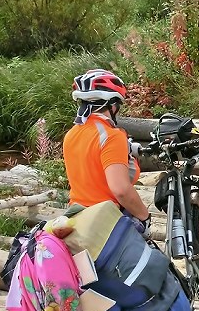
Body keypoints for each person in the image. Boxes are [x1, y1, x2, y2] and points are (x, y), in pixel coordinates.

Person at [63, 69, 151, 229]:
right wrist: (144, 217)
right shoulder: (111, 136)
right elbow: (121, 190)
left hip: (76, 220)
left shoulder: (71, 134)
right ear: (111, 105)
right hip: (105, 222)